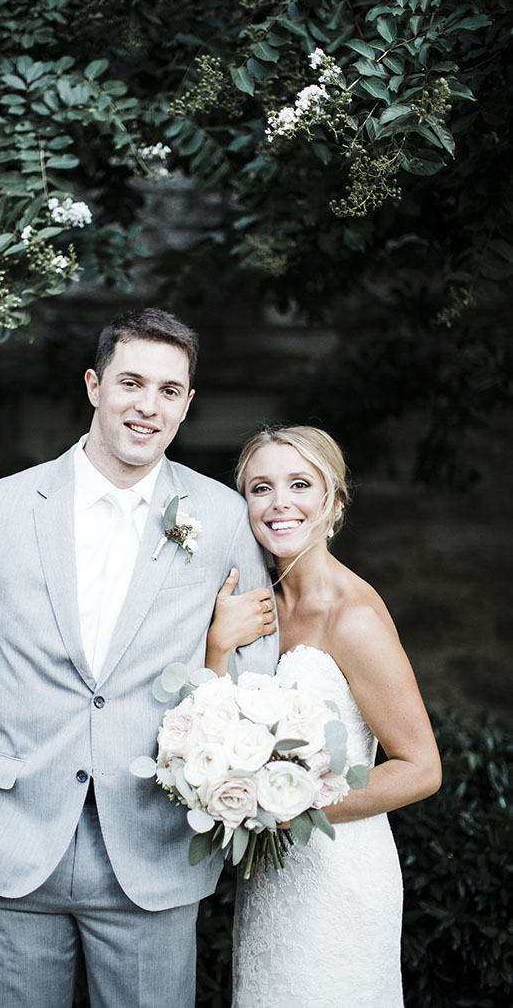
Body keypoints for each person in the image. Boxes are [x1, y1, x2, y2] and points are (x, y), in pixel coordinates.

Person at [0, 308, 278, 1008]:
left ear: (188, 402)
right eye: (131, 382)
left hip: (154, 847)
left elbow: (256, 677)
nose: (147, 405)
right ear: (93, 385)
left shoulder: (221, 514)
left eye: (169, 390)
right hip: (4, 846)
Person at [205, 425, 441, 1008]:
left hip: (341, 874)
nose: (279, 502)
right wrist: (215, 646)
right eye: (261, 487)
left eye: (299, 484)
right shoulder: (249, 602)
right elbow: (208, 717)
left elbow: (420, 768)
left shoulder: (353, 616)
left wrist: (291, 801)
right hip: (269, 879)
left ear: (333, 503)